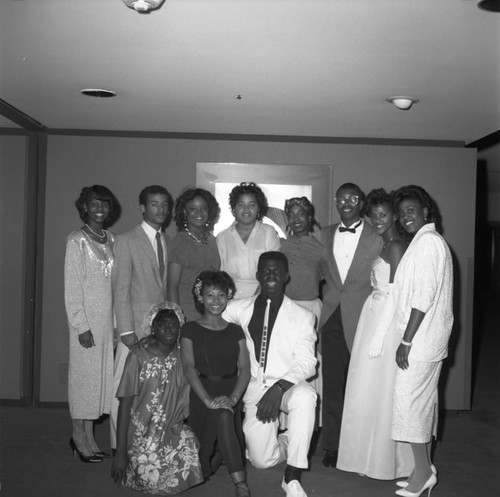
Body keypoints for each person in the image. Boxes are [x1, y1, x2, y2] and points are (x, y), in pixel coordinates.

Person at [223, 251, 317, 497]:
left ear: (286, 276)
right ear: (257, 275)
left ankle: (292, 477)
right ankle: (288, 441)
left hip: (288, 385)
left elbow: (308, 363)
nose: (271, 274)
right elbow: (209, 321)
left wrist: (279, 388)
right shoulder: (236, 309)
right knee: (262, 461)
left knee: (306, 397)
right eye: (266, 270)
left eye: (277, 270)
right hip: (255, 386)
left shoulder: (303, 316)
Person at [337, 188, 413, 479]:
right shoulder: (385, 243)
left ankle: (387, 462)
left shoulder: (395, 247)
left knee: (380, 391)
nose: (378, 220)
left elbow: (395, 296)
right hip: (373, 318)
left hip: (384, 323)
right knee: (367, 390)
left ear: (394, 215)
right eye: (374, 215)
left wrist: (378, 339)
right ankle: (368, 458)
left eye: (384, 215)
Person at [391, 185, 453, 497]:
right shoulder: (425, 241)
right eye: (401, 213)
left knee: (411, 408)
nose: (405, 217)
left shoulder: (429, 243)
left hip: (421, 341)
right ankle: (422, 469)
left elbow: (423, 297)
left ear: (426, 211)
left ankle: (424, 474)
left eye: (411, 210)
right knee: (420, 406)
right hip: (427, 340)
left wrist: (406, 340)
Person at [319, 182, 383, 467]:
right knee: (333, 385)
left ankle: (358, 447)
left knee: (361, 386)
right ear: (336, 201)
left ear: (361, 202)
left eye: (352, 198)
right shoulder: (324, 234)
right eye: (341, 198)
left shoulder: (377, 235)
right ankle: (333, 446)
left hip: (363, 319)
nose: (346, 202)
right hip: (331, 317)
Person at [111, 303, 203, 495]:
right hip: (142, 435)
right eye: (162, 324)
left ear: (180, 328)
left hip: (171, 427)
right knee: (151, 479)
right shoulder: (138, 356)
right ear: (152, 328)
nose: (168, 328)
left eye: (173, 324)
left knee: (189, 445)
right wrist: (120, 453)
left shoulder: (183, 355)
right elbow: (125, 403)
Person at [111, 185, 172, 450]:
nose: (161, 209)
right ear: (143, 208)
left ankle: (144, 444)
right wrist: (125, 331)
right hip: (134, 328)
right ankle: (117, 445)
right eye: (155, 204)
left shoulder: (166, 240)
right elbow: (120, 289)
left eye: (165, 204)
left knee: (150, 388)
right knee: (122, 388)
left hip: (159, 329)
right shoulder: (126, 240)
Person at [180, 270, 251, 497]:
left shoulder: (235, 330)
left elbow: (245, 369)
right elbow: (189, 368)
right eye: (210, 295)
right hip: (203, 393)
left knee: (224, 414)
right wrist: (209, 401)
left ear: (228, 296)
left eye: (221, 295)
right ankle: (226, 463)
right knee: (203, 466)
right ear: (200, 297)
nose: (216, 301)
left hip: (231, 391)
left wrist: (233, 398)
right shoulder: (189, 329)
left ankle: (240, 484)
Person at [64, 185, 120, 462]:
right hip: (86, 325)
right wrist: (81, 326)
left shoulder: (111, 239)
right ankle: (78, 436)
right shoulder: (76, 240)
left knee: (98, 384)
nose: (100, 207)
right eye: (94, 203)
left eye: (105, 203)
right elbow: (73, 288)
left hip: (106, 325)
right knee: (83, 381)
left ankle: (89, 437)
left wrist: (114, 324)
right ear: (84, 206)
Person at [279, 197, 328, 419]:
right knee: (284, 363)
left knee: (309, 364)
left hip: (310, 311)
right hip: (285, 311)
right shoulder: (281, 246)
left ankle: (309, 422)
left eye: (301, 214)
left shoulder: (321, 248)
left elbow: (332, 282)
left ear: (310, 217)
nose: (296, 218)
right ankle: (284, 423)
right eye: (291, 214)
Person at [217, 182, 280, 299]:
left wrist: (257, 298)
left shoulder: (268, 232)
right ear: (234, 210)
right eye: (241, 205)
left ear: (258, 209)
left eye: (252, 205)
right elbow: (220, 274)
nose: (246, 209)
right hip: (230, 297)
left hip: (263, 294)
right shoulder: (223, 237)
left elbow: (274, 269)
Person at [167, 188, 221, 321]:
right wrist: (176, 317)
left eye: (204, 208)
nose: (199, 213)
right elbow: (172, 284)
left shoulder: (213, 241)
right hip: (187, 314)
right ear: (185, 212)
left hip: (211, 312)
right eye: (193, 208)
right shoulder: (180, 241)